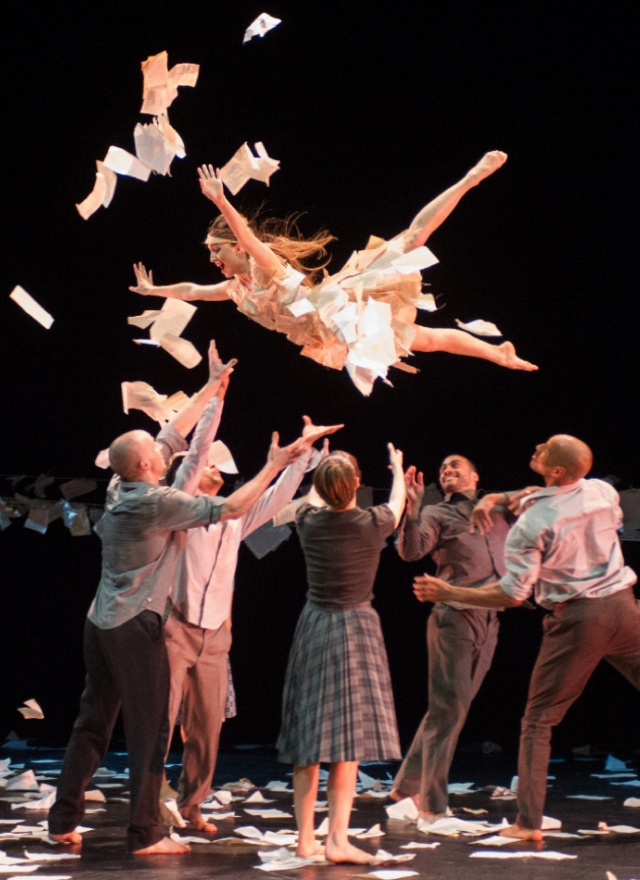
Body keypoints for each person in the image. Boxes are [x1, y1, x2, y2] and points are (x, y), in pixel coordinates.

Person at [48, 346, 335, 855]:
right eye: (158, 456)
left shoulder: (120, 483)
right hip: (136, 627)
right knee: (151, 731)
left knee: (94, 720)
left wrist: (212, 388)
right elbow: (231, 506)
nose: (166, 453)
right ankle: (145, 833)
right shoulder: (156, 502)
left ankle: (63, 818)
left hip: (101, 621)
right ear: (146, 465)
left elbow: (177, 435)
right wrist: (273, 465)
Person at [414, 435, 640, 841]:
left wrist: (451, 593)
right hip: (625, 610)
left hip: (578, 620)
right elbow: (549, 493)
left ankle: (527, 824)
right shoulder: (602, 491)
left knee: (538, 721)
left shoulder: (531, 524)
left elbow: (512, 595)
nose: (537, 445)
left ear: (557, 470)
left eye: (547, 447)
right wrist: (500, 497)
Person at [129, 152, 536, 394]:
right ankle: (496, 352)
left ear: (233, 247)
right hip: (328, 336)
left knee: (411, 242)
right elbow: (195, 291)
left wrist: (221, 202)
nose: (213, 258)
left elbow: (250, 238)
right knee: (425, 341)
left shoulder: (264, 266)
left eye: (216, 249)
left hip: (341, 305)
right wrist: (154, 291)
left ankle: (469, 178)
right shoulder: (238, 290)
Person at [162, 398, 323, 832]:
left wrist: (299, 455)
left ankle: (192, 805)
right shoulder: (175, 511)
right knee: (160, 722)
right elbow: (191, 467)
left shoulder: (233, 519)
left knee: (206, 728)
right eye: (211, 466)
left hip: (214, 634)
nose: (219, 469)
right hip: (174, 626)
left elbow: (276, 498)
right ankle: (151, 805)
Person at [278, 446, 407, 866]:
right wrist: (398, 469)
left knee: (309, 740)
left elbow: (317, 497)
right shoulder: (372, 523)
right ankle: (335, 839)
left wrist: (321, 464)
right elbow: (398, 501)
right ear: (355, 485)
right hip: (354, 629)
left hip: (314, 626)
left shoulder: (307, 521)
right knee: (346, 743)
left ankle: (304, 839)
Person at [388, 454, 523, 822]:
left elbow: (539, 494)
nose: (447, 469)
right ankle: (431, 802)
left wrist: (491, 500)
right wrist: (412, 510)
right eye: (442, 467)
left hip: (491, 615)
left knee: (451, 708)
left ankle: (405, 787)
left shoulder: (498, 509)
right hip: (454, 616)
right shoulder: (437, 514)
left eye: (454, 465)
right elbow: (411, 551)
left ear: (475, 476)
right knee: (449, 708)